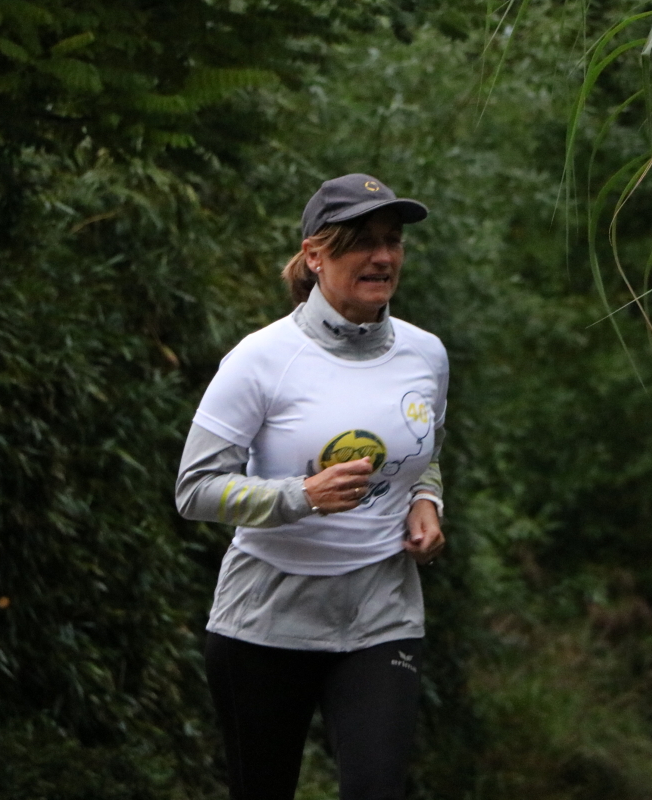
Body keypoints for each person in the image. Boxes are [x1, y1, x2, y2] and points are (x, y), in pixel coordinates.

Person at [175, 173, 448, 800]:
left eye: (392, 240)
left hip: (381, 611)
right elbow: (195, 489)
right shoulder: (261, 359)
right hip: (266, 619)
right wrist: (302, 495)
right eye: (362, 241)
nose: (382, 256)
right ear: (315, 255)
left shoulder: (426, 355)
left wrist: (426, 501)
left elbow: (424, 448)